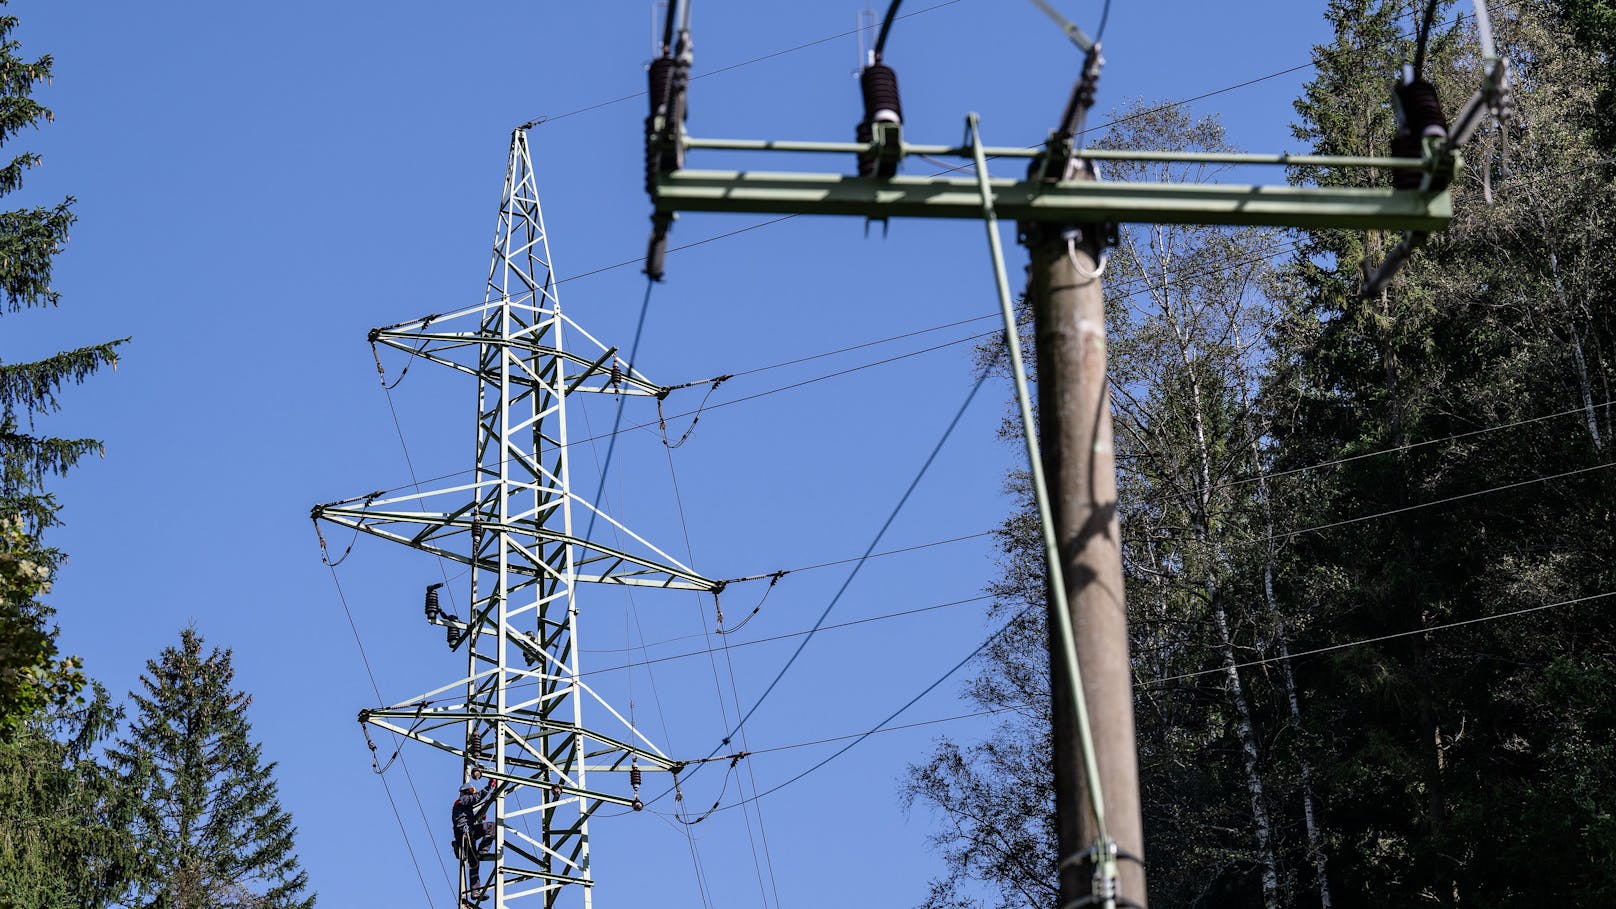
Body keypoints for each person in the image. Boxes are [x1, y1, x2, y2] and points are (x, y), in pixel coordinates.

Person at [452, 779, 495, 899]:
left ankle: (475, 892)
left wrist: (480, 818)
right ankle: (482, 851)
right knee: (492, 826)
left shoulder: (462, 805)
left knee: (474, 864)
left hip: (464, 837)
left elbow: (466, 817)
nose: (472, 793)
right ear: (465, 791)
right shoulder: (462, 799)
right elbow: (476, 798)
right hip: (466, 833)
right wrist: (488, 787)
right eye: (471, 791)